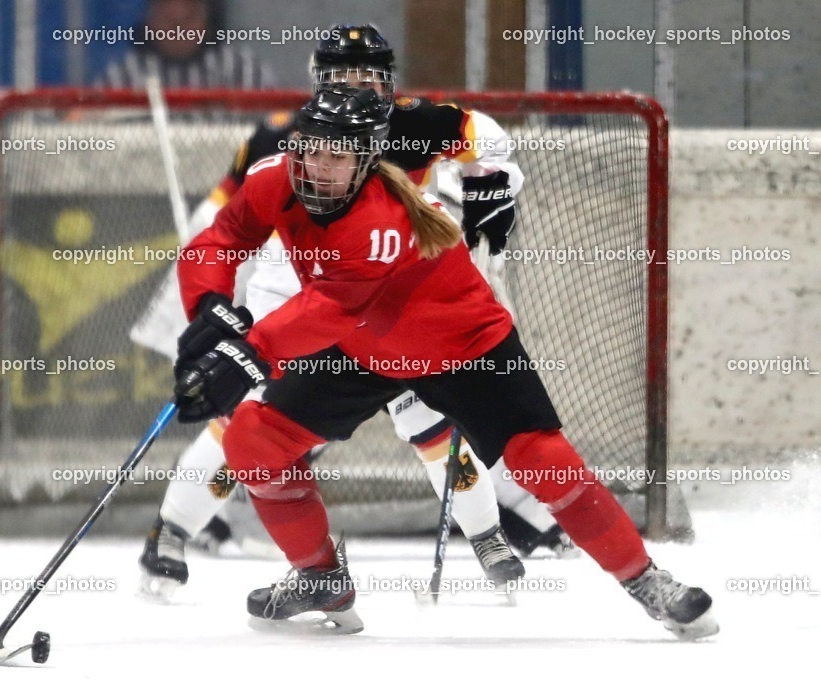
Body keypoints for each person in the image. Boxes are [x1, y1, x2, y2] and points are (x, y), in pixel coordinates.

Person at [170, 85, 719, 640]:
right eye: (309, 149)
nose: (315, 166)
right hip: (365, 347)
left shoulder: (379, 222)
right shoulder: (276, 178)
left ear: (366, 162)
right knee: (252, 439)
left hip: (460, 343)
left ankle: (646, 580)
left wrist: (247, 351)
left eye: (335, 156)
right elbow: (221, 240)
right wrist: (209, 308)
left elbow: (331, 307)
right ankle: (319, 577)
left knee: (540, 459)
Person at [134, 24, 571, 600]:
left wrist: (491, 185)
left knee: (429, 419)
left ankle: (488, 535)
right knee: (244, 415)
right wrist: (207, 300)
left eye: (371, 74)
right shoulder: (283, 137)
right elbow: (222, 221)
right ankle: (172, 531)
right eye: (344, 74)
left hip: (392, 302)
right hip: (298, 298)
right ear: (320, 82)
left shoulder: (411, 121)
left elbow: (486, 140)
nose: (359, 84)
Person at [96, 0, 274, 90]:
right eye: (169, 22)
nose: (179, 33)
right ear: (150, 20)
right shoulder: (123, 77)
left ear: (205, 19)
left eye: (188, 20)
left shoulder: (243, 72)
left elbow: (275, 128)